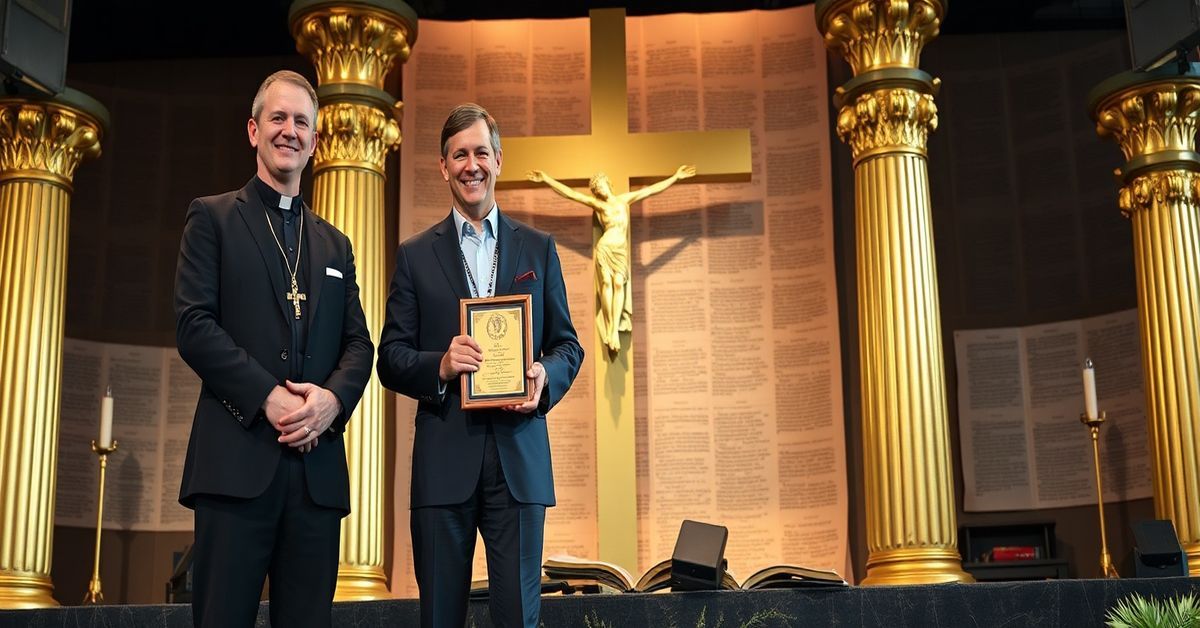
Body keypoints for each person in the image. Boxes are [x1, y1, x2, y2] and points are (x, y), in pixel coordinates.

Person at [173, 70, 373, 628]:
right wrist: (267, 396)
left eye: (302, 121)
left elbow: (359, 344)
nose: (290, 130)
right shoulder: (211, 218)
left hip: (316, 475)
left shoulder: (336, 243)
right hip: (236, 464)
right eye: (278, 118)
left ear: (315, 140)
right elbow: (193, 325)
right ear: (253, 130)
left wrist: (331, 403)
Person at [377, 103, 583, 628]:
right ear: (444, 166)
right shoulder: (415, 255)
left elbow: (567, 347)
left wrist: (544, 377)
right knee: (440, 617)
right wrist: (441, 365)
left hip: (519, 464)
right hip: (444, 466)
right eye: (459, 154)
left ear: (499, 161)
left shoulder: (538, 248)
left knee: (518, 619)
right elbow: (391, 359)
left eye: (481, 153)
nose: (472, 165)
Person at [527, 164, 695, 353]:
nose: (600, 191)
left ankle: (614, 328)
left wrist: (676, 177)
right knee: (606, 283)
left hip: (620, 250)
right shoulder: (599, 206)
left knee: (617, 283)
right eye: (597, 189)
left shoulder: (624, 200)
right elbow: (572, 195)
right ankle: (610, 328)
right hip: (605, 248)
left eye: (602, 186)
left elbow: (651, 191)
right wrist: (547, 179)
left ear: (609, 185)